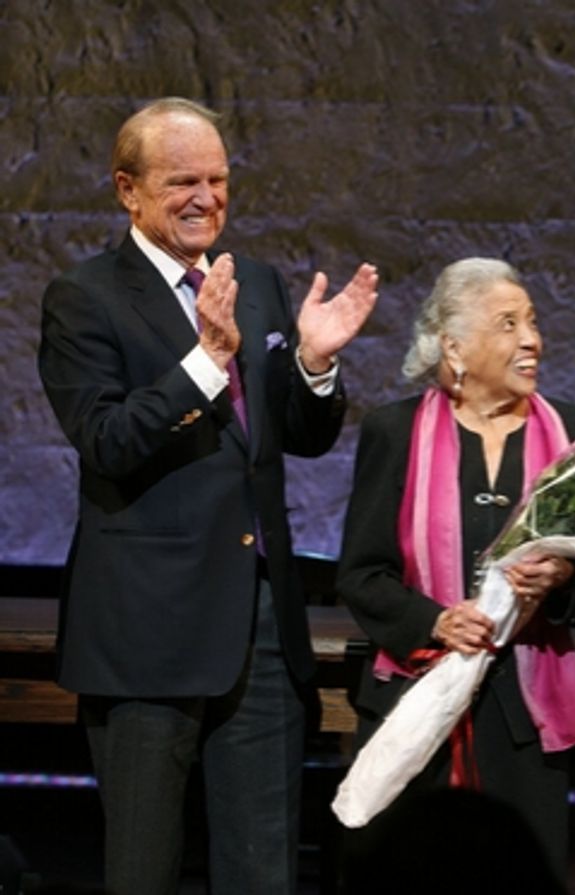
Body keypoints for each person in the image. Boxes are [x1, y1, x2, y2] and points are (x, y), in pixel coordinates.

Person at [37, 97, 378, 894]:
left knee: (262, 869)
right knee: (144, 870)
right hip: (145, 633)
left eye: (219, 180)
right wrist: (205, 361)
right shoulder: (83, 297)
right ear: (127, 189)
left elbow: (297, 435)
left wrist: (317, 368)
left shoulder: (251, 282)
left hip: (259, 626)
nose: (207, 198)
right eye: (182, 180)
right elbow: (106, 440)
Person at [335, 257, 575, 891]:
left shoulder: (572, 432)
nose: (531, 340)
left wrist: (566, 577)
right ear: (454, 347)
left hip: (525, 714)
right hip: (414, 698)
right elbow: (361, 573)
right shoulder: (395, 431)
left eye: (534, 323)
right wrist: (435, 620)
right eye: (508, 324)